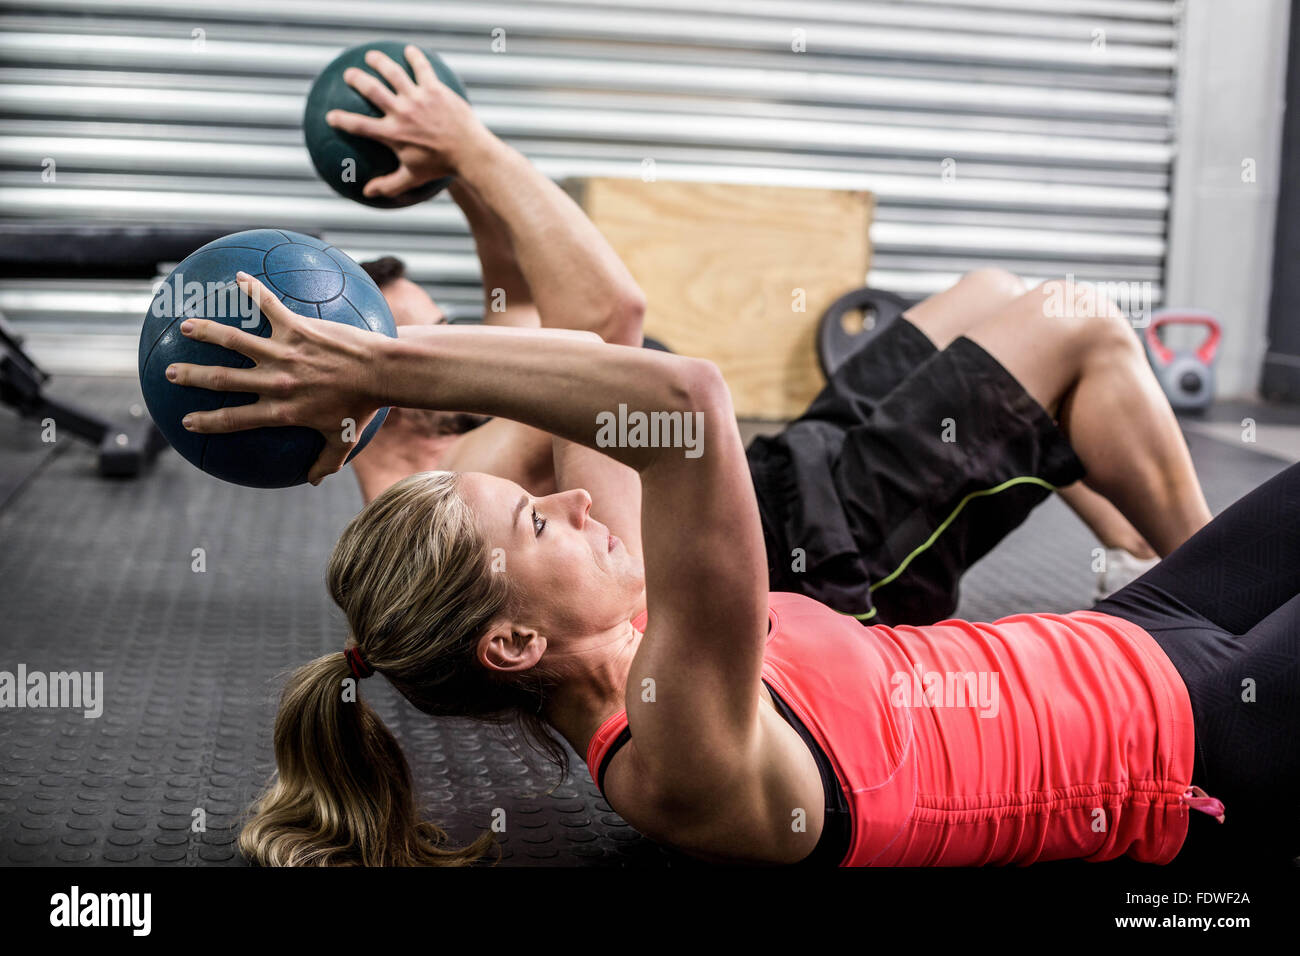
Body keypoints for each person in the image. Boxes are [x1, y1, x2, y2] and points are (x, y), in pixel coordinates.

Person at [169, 270, 1294, 867]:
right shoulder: (675, 745)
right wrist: (375, 360)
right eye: (538, 525)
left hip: (1138, 630)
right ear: (513, 641)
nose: (569, 498)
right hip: (1193, 747)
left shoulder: (630, 618)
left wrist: (379, 371)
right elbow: (687, 404)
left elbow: (607, 348)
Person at [330, 47, 1209, 626]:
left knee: (992, 294)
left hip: (790, 472)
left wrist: (455, 169)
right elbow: (603, 323)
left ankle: (1131, 555)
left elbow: (514, 294)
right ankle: (1215, 585)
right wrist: (473, 142)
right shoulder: (451, 498)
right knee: (1074, 325)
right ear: (365, 377)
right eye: (421, 339)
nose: (453, 341)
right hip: (823, 564)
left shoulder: (440, 431)